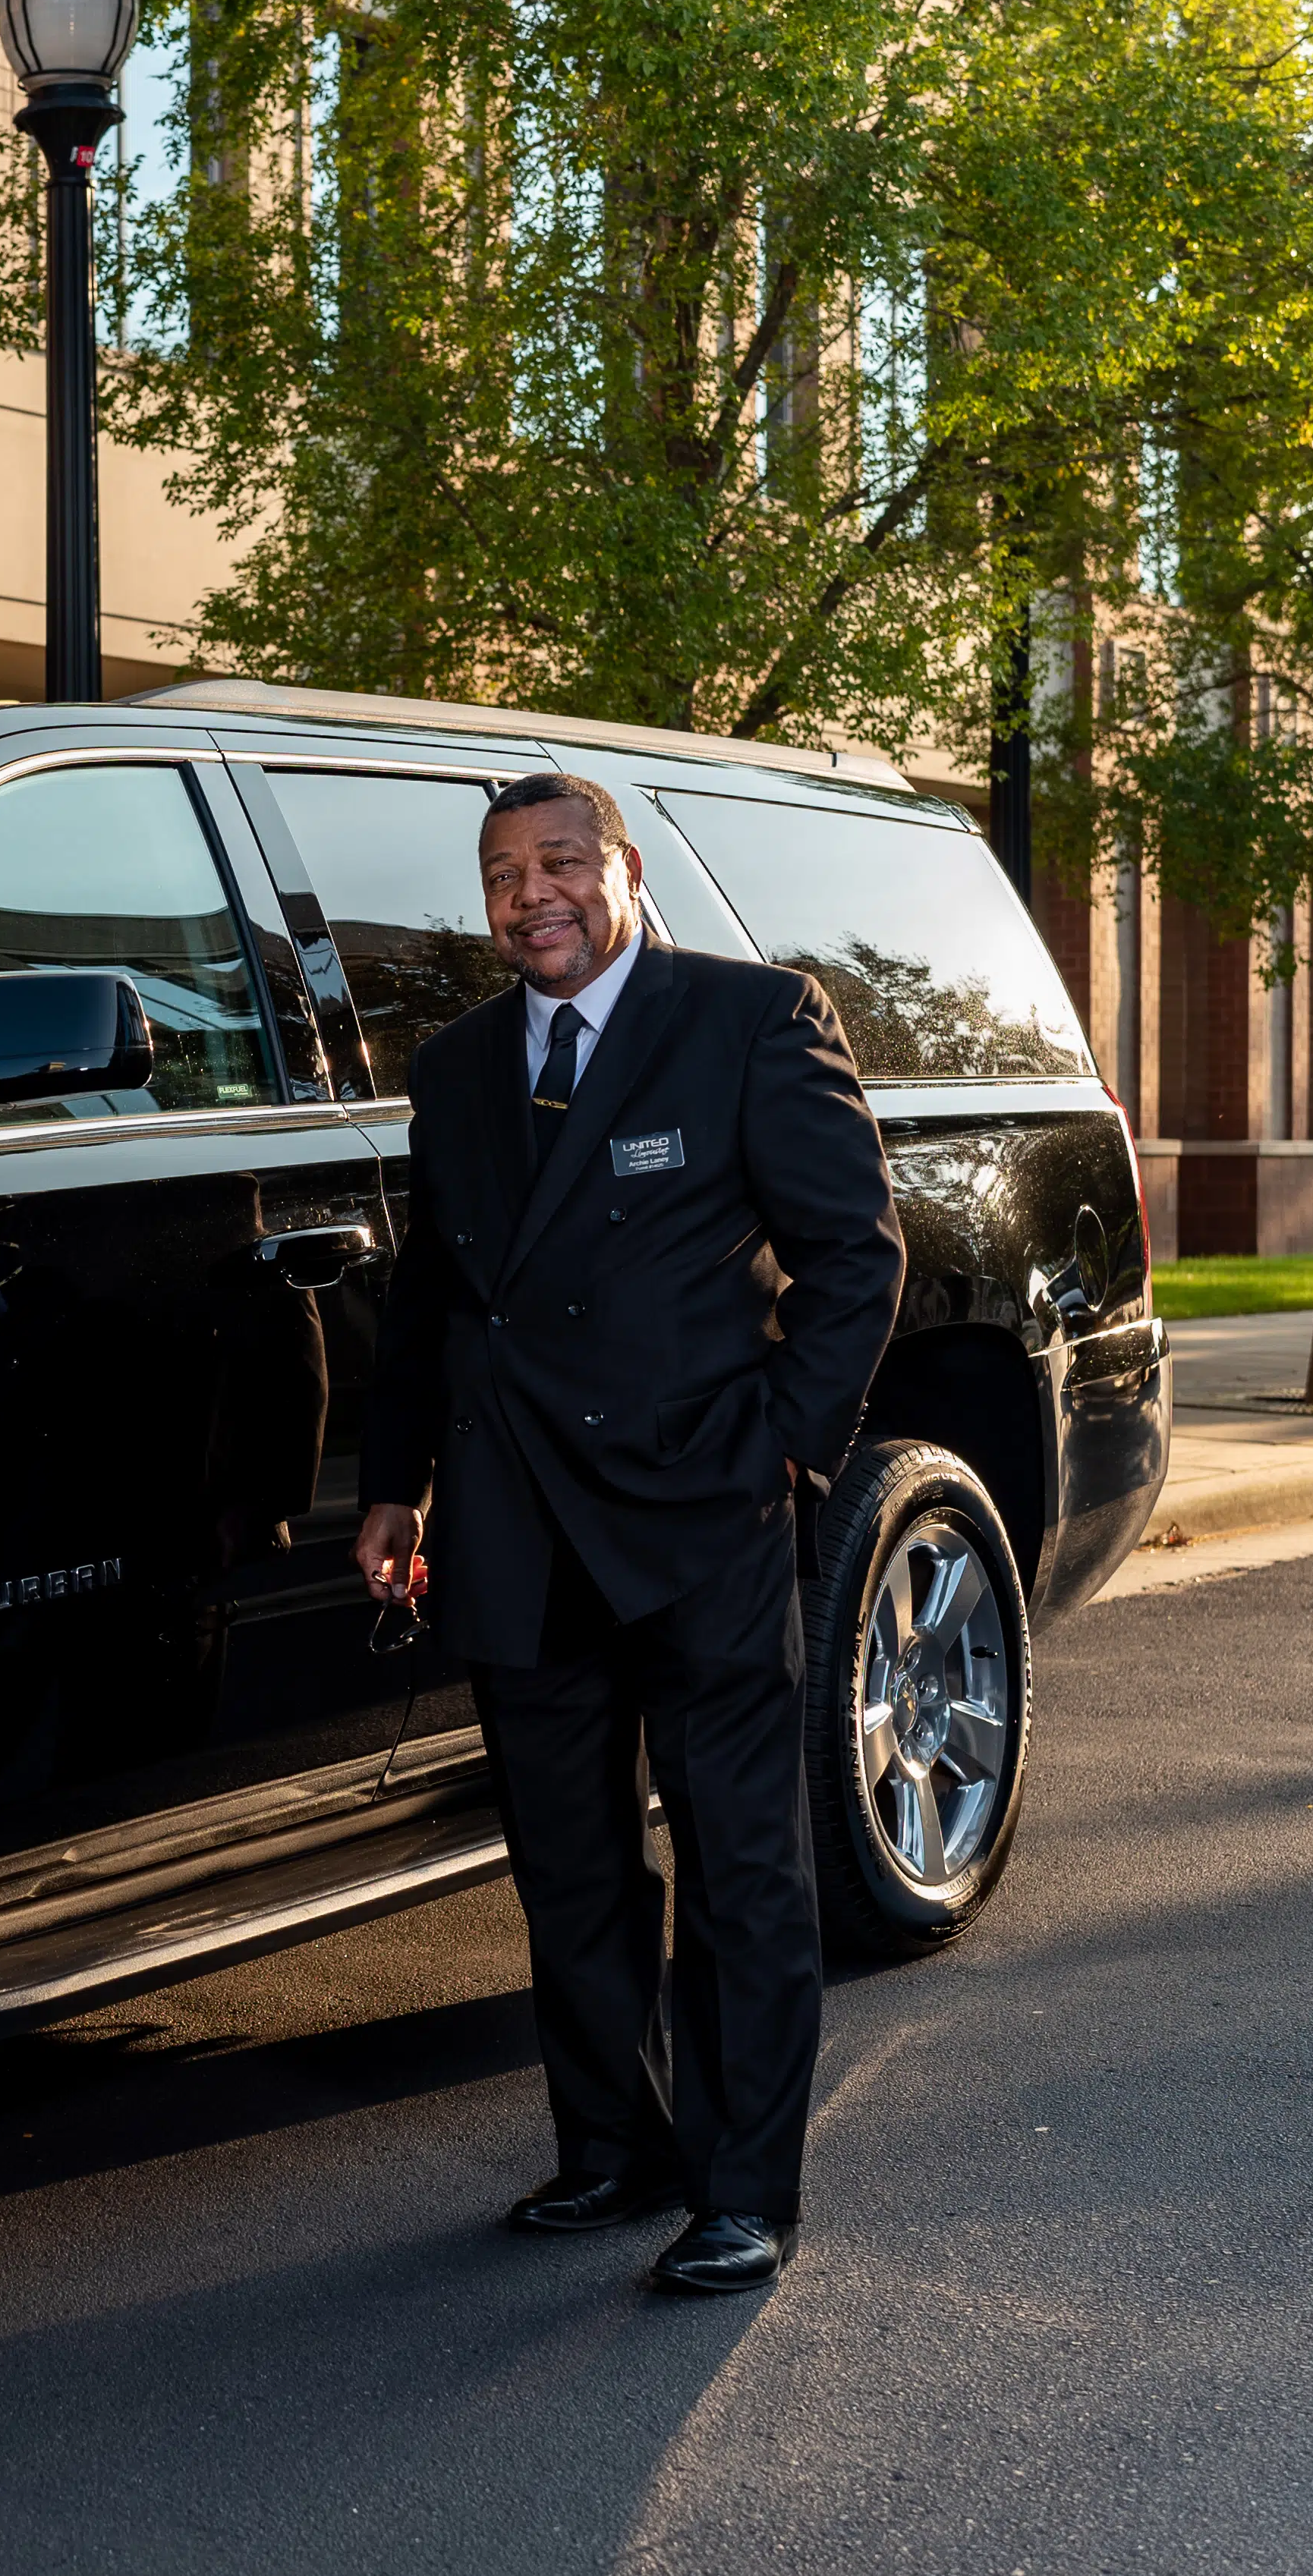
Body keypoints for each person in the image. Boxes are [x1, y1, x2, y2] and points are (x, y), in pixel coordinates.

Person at [354, 771, 902, 2296]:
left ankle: (740, 2185)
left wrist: (783, 1449)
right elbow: (433, 1296)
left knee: (740, 1866)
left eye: (560, 861)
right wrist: (395, 1483)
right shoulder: (459, 1066)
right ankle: (614, 2145)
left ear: (626, 866)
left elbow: (856, 1256)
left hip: (698, 1512)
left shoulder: (745, 1016)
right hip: (517, 1521)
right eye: (501, 872)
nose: (533, 894)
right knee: (569, 1866)